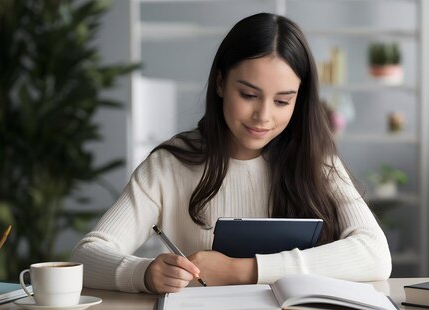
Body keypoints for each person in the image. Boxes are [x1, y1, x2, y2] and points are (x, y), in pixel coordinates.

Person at [71, 12, 391, 294]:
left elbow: (375, 255)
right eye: (249, 94)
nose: (263, 116)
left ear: (299, 99)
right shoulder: (169, 165)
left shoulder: (316, 160)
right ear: (221, 83)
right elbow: (87, 255)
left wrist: (242, 270)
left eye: (282, 101)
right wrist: (142, 273)